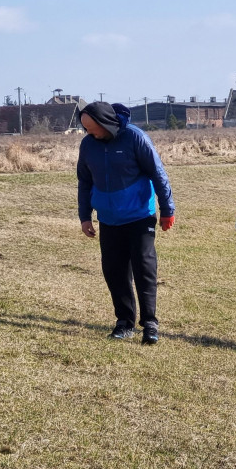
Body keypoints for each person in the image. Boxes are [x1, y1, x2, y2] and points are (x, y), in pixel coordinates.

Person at [77, 101, 175, 344]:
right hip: (108, 220)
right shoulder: (88, 144)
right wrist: (84, 216)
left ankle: (150, 323)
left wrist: (167, 209)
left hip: (139, 216)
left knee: (144, 269)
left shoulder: (135, 138)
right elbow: (84, 181)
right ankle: (124, 322)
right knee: (114, 271)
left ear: (104, 123)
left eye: (91, 128)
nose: (88, 133)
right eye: (85, 129)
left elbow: (157, 173)